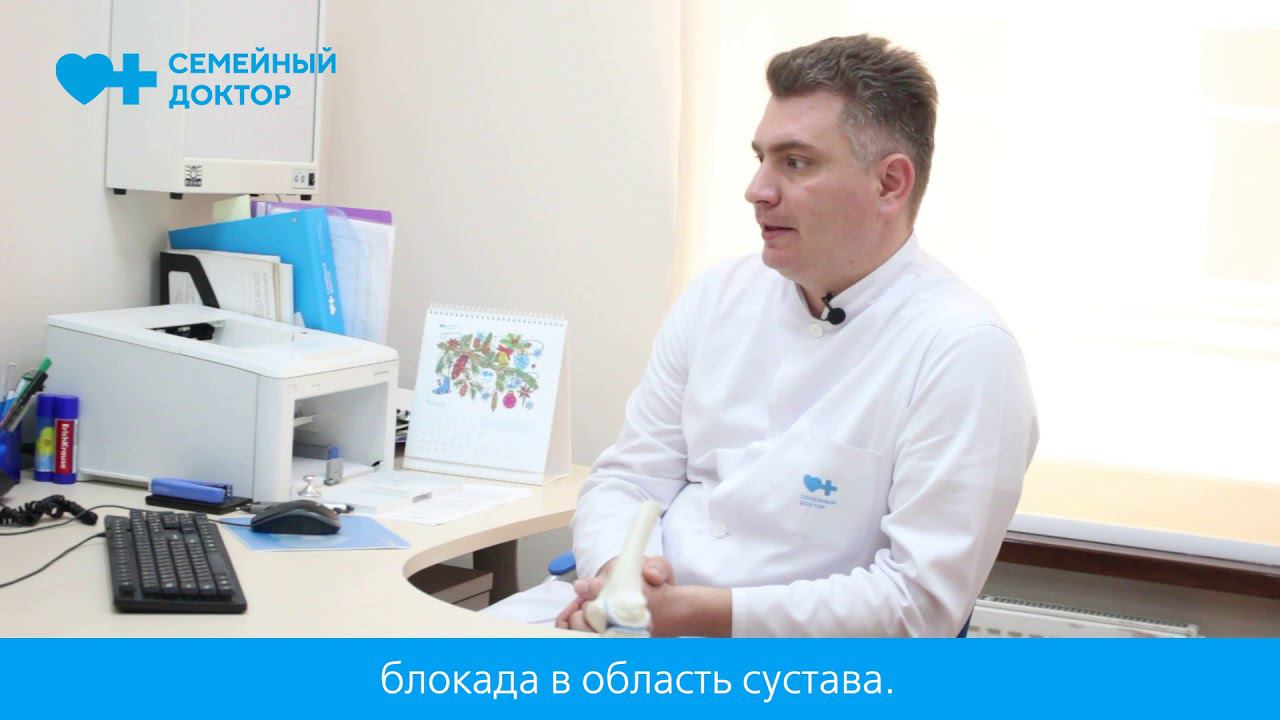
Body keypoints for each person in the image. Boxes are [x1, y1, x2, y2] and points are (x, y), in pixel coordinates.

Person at [485, 34, 1038, 637]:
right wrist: (621, 576)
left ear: (890, 184)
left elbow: (918, 605)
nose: (757, 190)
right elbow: (628, 478)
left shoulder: (964, 350)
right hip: (634, 622)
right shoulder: (717, 295)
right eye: (761, 159)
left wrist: (695, 614)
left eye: (795, 163)